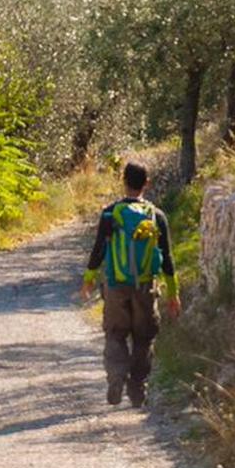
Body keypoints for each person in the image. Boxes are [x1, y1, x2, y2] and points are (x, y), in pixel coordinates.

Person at [80, 161, 181, 408]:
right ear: (147, 183)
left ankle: (116, 377)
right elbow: (167, 258)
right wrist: (173, 293)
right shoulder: (156, 216)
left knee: (115, 334)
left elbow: (98, 250)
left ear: (123, 181)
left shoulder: (110, 214)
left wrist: (89, 279)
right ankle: (137, 387)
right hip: (145, 286)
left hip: (116, 285)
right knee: (143, 338)